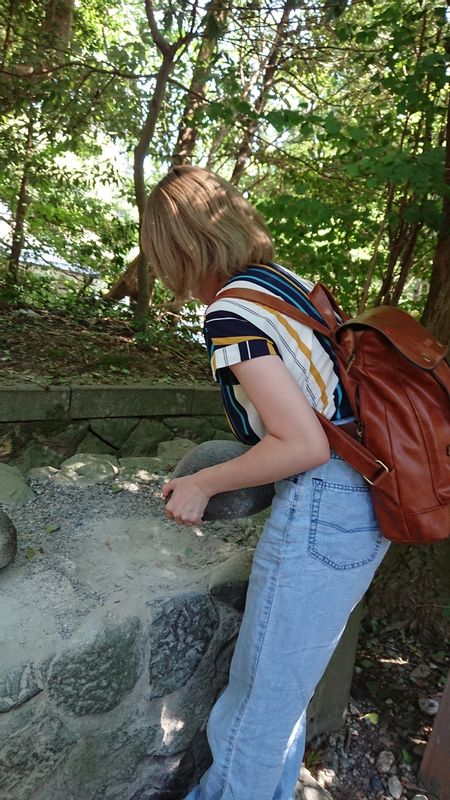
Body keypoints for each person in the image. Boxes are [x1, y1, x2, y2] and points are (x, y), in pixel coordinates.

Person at [141, 165, 390, 800]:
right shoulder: (287, 286)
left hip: (325, 506)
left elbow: (302, 444)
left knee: (254, 707)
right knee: (284, 692)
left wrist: (204, 484)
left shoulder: (231, 312)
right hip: (369, 501)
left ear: (183, 248)